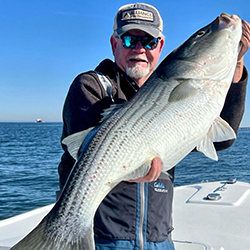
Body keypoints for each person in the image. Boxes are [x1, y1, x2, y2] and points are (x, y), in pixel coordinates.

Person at [57, 3, 250, 250]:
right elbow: (90, 153)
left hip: (160, 239)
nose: (139, 48)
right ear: (114, 44)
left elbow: (222, 139)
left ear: (160, 47)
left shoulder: (189, 95)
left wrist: (235, 65)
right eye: (129, 40)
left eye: (148, 41)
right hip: (104, 239)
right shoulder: (93, 86)